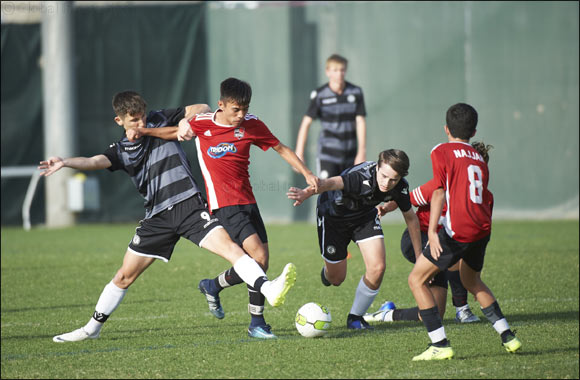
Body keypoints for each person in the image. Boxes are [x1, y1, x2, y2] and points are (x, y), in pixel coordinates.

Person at [40, 91, 297, 343]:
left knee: (231, 249)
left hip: (189, 206)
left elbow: (202, 107)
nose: (140, 124)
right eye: (133, 120)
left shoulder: (161, 119)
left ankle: (268, 288)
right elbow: (95, 161)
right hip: (157, 218)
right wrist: (65, 162)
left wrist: (185, 122)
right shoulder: (121, 150)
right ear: (119, 121)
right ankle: (91, 328)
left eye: (141, 117)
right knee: (124, 276)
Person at [140, 77, 318, 339]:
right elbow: (171, 133)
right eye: (236, 109)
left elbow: (281, 148)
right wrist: (143, 132)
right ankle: (257, 323)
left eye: (245, 109)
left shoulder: (252, 124)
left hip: (248, 201)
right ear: (221, 105)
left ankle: (213, 286)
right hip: (223, 204)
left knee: (261, 261)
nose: (241, 115)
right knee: (256, 255)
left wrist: (307, 173)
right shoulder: (202, 124)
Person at [407, 103, 521, 361]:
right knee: (472, 281)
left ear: (446, 129)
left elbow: (437, 191)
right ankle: (508, 336)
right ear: (474, 130)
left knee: (416, 279)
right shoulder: (480, 157)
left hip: (458, 231)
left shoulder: (442, 150)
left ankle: (439, 344)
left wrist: (434, 232)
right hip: (482, 229)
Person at [287, 149, 423, 329]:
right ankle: (327, 272)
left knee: (378, 267)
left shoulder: (400, 186)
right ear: (377, 166)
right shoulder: (360, 177)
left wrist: (420, 260)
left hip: (364, 217)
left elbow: (411, 219)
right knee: (336, 279)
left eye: (393, 179)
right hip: (333, 217)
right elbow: (328, 183)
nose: (387, 183)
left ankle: (355, 318)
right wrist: (306, 193)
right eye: (383, 176)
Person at [365, 141, 494, 325]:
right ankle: (462, 309)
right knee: (451, 251)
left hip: (442, 244)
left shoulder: (482, 198)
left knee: (435, 314)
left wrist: (475, 281)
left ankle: (387, 314)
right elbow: (407, 199)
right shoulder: (439, 186)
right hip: (420, 238)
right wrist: (386, 208)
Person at [295, 54, 367, 179]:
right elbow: (306, 123)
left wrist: (361, 152)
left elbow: (360, 121)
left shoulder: (356, 92)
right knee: (328, 194)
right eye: (335, 70)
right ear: (328, 72)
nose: (339, 74)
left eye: (342, 70)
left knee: (350, 195)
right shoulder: (320, 95)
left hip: (350, 155)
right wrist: (299, 154)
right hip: (327, 156)